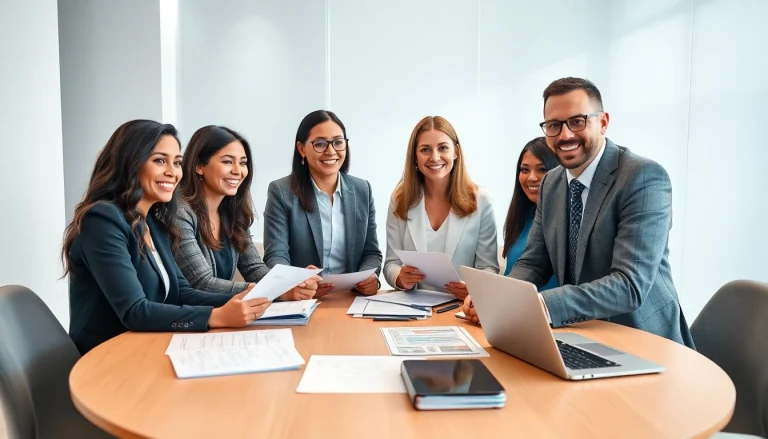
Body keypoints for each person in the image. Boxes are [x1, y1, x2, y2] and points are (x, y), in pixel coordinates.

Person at [462, 77, 694, 348]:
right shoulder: (553, 182)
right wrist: (498, 298)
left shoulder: (642, 178)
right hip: (582, 336)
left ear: (603, 122)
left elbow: (629, 285)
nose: (565, 135)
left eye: (578, 121)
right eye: (554, 125)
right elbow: (534, 262)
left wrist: (540, 304)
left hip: (643, 341)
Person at [63, 120, 271, 355]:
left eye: (177, 162)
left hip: (149, 345)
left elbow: (181, 292)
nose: (173, 172)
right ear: (131, 163)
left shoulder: (152, 220)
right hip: (109, 356)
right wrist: (216, 316)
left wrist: (242, 297)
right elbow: (135, 311)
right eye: (160, 160)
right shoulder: (103, 219)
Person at [173, 125, 319, 300]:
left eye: (243, 163)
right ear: (198, 166)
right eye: (227, 161)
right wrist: (277, 290)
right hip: (193, 319)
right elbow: (202, 283)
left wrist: (294, 281)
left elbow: (254, 269)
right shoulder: (180, 212)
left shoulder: (232, 212)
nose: (238, 171)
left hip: (226, 316)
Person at [263, 110, 382, 296]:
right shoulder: (281, 191)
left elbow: (372, 252)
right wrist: (296, 284)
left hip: (351, 298)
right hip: (303, 300)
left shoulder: (362, 189)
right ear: (302, 149)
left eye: (338, 142)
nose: (331, 151)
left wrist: (371, 278)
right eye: (320, 144)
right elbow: (276, 255)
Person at [384, 116, 498, 300]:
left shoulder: (481, 199)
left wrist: (475, 287)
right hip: (413, 309)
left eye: (443, 148)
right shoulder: (400, 199)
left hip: (461, 308)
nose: (434, 157)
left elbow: (489, 267)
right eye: (425, 150)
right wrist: (399, 277)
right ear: (415, 156)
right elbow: (391, 263)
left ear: (456, 152)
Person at [502, 137, 558, 291]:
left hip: (551, 311)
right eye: (525, 170)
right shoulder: (522, 216)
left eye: (542, 169)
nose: (531, 177)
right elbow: (510, 276)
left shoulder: (565, 220)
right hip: (515, 308)